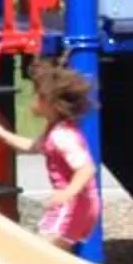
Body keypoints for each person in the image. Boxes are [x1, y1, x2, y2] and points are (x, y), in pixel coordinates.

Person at [28, 58, 101, 251]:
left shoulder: (62, 135)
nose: (33, 101)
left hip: (72, 205)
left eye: (37, 96)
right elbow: (31, 146)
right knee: (54, 254)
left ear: (50, 103)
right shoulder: (55, 130)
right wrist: (0, 133)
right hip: (77, 204)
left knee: (42, 251)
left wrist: (67, 193)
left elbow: (87, 169)